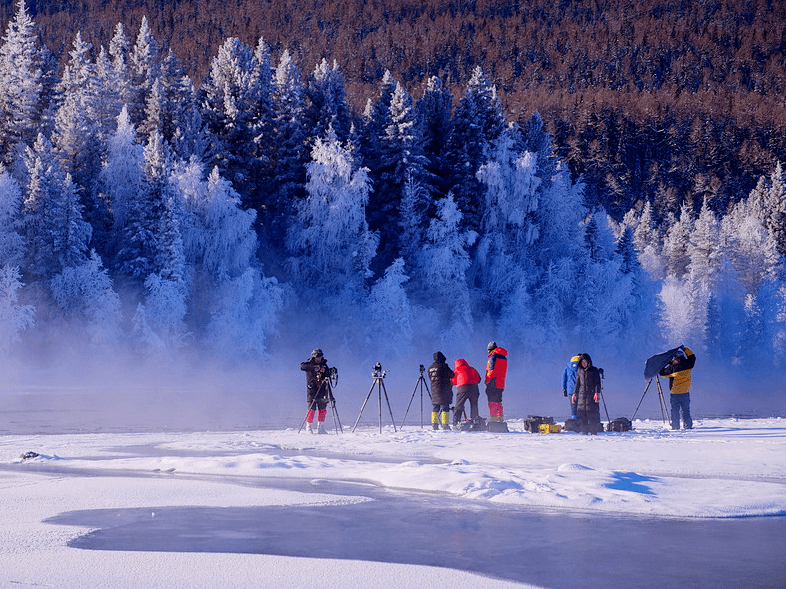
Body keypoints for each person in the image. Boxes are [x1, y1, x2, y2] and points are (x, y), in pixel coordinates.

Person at [659, 345, 696, 430]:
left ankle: (675, 426)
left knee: (675, 411)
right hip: (685, 391)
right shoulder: (688, 364)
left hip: (675, 392)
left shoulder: (672, 368)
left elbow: (662, 373)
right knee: (686, 410)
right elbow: (692, 357)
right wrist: (685, 348)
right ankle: (688, 426)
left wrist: (666, 362)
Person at [300, 348, 335, 434]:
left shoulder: (324, 364)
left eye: (320, 357)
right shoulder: (309, 363)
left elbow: (327, 373)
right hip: (312, 390)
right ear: (313, 357)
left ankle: (321, 427)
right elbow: (302, 366)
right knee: (311, 409)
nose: (318, 358)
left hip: (322, 389)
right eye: (317, 357)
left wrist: (330, 371)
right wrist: (315, 368)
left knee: (322, 408)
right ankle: (308, 427)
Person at [572, 353, 603, 434]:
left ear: (588, 362)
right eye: (582, 362)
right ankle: (584, 432)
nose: (584, 364)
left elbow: (597, 383)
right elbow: (577, 383)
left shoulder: (594, 370)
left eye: (585, 362)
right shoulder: (579, 370)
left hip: (591, 395)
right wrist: (574, 393)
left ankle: (594, 431)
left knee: (592, 414)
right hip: (582, 396)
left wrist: (597, 393)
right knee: (582, 415)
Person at [428, 351, 455, 430]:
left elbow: (431, 379)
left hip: (434, 390)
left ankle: (434, 424)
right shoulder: (443, 366)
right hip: (443, 390)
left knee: (435, 408)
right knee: (445, 408)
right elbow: (452, 374)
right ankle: (445, 425)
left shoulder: (430, 368)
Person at [451, 358, 481, 427]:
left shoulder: (457, 370)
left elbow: (453, 381)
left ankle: (456, 423)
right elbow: (479, 379)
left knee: (459, 405)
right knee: (474, 405)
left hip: (463, 388)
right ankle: (475, 421)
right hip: (474, 388)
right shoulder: (472, 368)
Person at [485, 341, 508, 426]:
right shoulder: (504, 357)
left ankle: (494, 421)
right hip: (501, 383)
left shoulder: (493, 356)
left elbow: (491, 370)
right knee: (498, 401)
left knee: (492, 402)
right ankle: (500, 420)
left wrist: (487, 381)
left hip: (493, 382)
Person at [561, 353, 582, 419]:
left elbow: (563, 378)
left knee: (573, 407)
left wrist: (564, 389)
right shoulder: (582, 366)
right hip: (581, 390)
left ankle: (574, 423)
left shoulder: (567, 366)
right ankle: (583, 424)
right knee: (582, 407)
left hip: (570, 391)